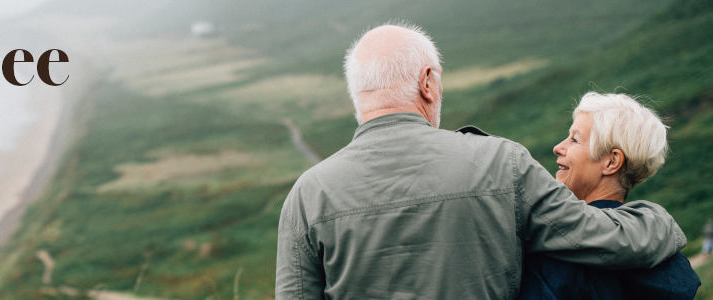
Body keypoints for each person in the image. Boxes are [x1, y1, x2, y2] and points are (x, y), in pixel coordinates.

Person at [275, 24, 687, 299]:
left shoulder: (306, 196)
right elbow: (606, 241)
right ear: (427, 83)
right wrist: (659, 220)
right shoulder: (502, 163)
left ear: (356, 95)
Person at [520, 92, 699, 299]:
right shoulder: (668, 258)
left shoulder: (554, 255)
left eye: (575, 139)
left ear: (612, 162)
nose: (558, 147)